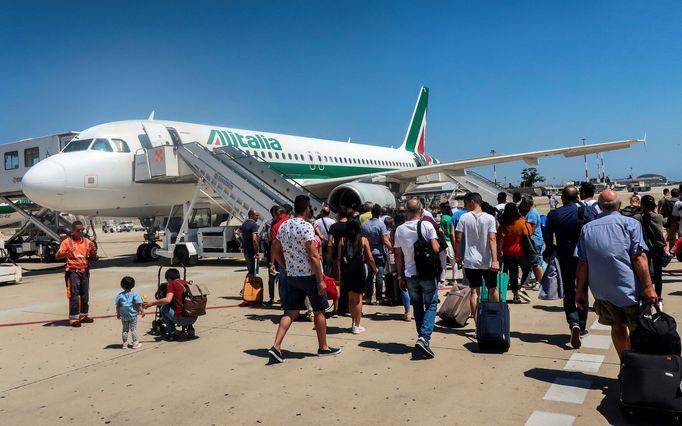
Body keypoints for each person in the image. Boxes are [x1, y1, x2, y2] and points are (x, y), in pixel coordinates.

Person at [576, 189, 658, 358]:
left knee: (617, 326)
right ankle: (637, 365)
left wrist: (579, 292)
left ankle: (625, 362)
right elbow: (638, 257)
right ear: (619, 205)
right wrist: (649, 287)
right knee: (638, 329)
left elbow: (583, 264)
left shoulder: (586, 229)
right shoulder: (630, 224)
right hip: (630, 290)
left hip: (603, 292)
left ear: (599, 207)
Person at [268, 195, 341, 363]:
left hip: (292, 276)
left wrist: (286, 266)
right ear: (307, 209)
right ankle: (323, 347)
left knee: (291, 312)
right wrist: (320, 279)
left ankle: (276, 347)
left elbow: (275, 249)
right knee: (319, 310)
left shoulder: (284, 226)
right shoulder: (307, 227)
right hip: (309, 276)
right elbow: (314, 255)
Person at [544, 185, 589, 348]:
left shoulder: (554, 214)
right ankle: (582, 326)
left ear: (562, 198)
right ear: (577, 197)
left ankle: (573, 322)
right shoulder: (584, 212)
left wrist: (549, 250)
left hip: (564, 253)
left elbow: (548, 236)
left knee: (568, 290)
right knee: (582, 289)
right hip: (582, 254)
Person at [394, 198, 440, 359]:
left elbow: (398, 256)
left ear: (406, 211)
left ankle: (422, 338)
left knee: (418, 306)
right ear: (421, 210)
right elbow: (435, 248)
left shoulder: (399, 229)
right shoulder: (427, 225)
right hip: (426, 272)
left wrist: (400, 276)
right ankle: (424, 338)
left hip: (409, 273)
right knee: (432, 303)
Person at [455, 192, 500, 323]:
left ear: (472, 202)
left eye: (466, 203)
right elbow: (492, 239)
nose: (465, 206)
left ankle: (477, 323)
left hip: (470, 260)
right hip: (488, 260)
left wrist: (458, 255)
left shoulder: (464, 218)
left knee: (474, 292)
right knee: (492, 289)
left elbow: (458, 238)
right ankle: (495, 319)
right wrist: (495, 260)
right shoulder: (490, 218)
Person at [55, 221, 97, 327]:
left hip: (85, 270)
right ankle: (74, 318)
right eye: (78, 230)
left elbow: (93, 257)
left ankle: (83, 315)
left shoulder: (87, 242)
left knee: (85, 294)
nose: (81, 232)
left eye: (82, 230)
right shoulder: (67, 242)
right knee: (74, 295)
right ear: (73, 231)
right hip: (73, 271)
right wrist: (67, 253)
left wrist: (93, 252)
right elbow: (57, 256)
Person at [339, 219, 377, 334]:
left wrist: (340, 273)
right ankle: (357, 325)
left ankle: (352, 322)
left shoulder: (342, 240)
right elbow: (369, 257)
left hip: (347, 272)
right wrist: (374, 268)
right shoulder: (363, 240)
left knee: (351, 298)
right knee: (358, 298)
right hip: (359, 271)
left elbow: (340, 258)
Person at [144, 268, 197, 340]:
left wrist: (152, 303)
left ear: (168, 278)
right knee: (185, 305)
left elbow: (167, 300)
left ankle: (172, 333)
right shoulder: (187, 283)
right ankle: (190, 328)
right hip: (193, 317)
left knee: (164, 308)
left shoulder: (172, 284)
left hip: (181, 319)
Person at [497, 203, 533, 304]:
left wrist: (499, 253)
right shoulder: (522, 222)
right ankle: (522, 287)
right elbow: (530, 233)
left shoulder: (503, 223)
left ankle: (515, 296)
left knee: (513, 274)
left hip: (508, 253)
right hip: (521, 251)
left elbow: (500, 239)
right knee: (527, 269)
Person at [635, 195, 667, 301]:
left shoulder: (637, 218)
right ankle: (658, 296)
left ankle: (647, 295)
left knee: (645, 273)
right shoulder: (659, 217)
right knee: (658, 275)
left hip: (645, 249)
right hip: (658, 248)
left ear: (642, 205)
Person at [361, 204, 392, 304]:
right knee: (379, 275)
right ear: (379, 214)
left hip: (367, 252)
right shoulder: (381, 225)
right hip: (379, 253)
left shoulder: (364, 225)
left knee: (369, 276)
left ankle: (368, 297)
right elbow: (385, 241)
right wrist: (392, 249)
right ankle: (378, 297)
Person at [387, 213, 412, 321]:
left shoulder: (395, 231)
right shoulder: (410, 228)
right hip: (412, 258)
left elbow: (394, 248)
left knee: (403, 287)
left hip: (401, 260)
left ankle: (407, 312)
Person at [328, 206, 350, 314]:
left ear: (338, 214)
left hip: (337, 257)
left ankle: (336, 309)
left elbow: (329, 243)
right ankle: (348, 308)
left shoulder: (333, 226)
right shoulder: (351, 226)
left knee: (337, 283)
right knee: (349, 283)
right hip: (349, 258)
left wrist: (331, 255)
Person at [115, 276, 145, 349]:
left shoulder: (120, 295)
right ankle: (135, 343)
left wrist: (118, 313)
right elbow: (138, 305)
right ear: (133, 285)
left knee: (125, 330)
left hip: (124, 316)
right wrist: (142, 311)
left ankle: (124, 344)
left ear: (122, 285)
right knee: (133, 329)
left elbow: (117, 305)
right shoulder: (134, 295)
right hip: (133, 315)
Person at [520, 195, 544, 286]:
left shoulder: (532, 213)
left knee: (535, 262)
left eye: (522, 203)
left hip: (534, 241)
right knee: (534, 262)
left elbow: (531, 229)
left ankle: (540, 282)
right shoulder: (531, 212)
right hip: (534, 240)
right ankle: (536, 280)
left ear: (527, 204)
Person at [314, 206, 336, 276]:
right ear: (329, 213)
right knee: (329, 261)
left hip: (321, 244)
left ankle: (322, 275)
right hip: (330, 243)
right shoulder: (333, 221)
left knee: (321, 261)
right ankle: (328, 276)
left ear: (322, 212)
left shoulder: (317, 221)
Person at [439, 202, 457, 281]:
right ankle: (455, 279)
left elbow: (441, 230)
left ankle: (442, 279)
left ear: (443, 209)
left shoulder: (443, 218)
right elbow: (452, 232)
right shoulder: (451, 218)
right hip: (450, 241)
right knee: (453, 262)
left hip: (443, 241)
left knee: (443, 262)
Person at [240, 209, 260, 276]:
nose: (258, 217)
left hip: (246, 251)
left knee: (250, 270)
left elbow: (240, 236)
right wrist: (256, 251)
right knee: (253, 272)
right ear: (251, 215)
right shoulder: (253, 225)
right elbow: (254, 240)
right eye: (256, 215)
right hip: (252, 252)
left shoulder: (244, 224)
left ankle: (248, 284)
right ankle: (250, 285)